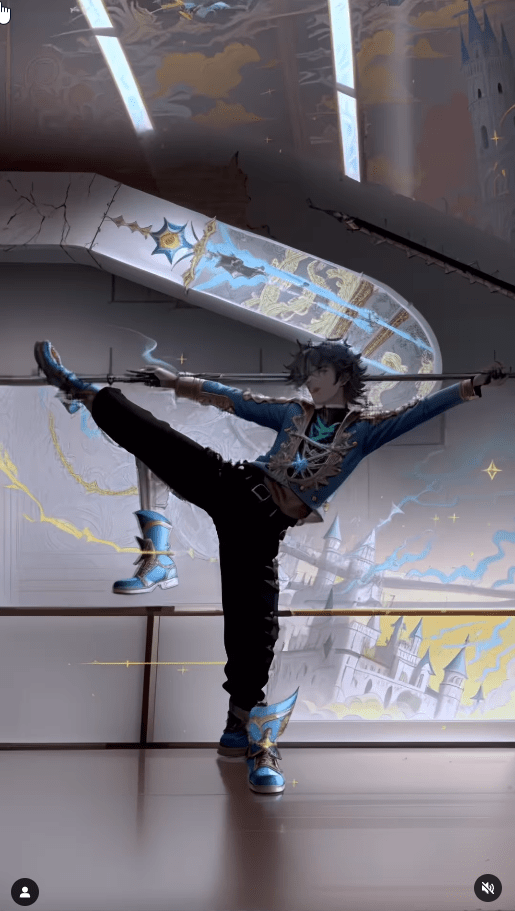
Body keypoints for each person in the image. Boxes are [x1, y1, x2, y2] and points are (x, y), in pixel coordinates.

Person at [33, 338, 507, 794]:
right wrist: (175, 381)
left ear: (342, 376)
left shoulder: (364, 431)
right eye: (308, 372)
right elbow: (234, 400)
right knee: (161, 441)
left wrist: (470, 386)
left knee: (256, 626)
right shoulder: (293, 413)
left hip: (262, 529)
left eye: (320, 371)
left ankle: (241, 727)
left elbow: (418, 412)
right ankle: (81, 391)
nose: (311, 380)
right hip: (233, 484)